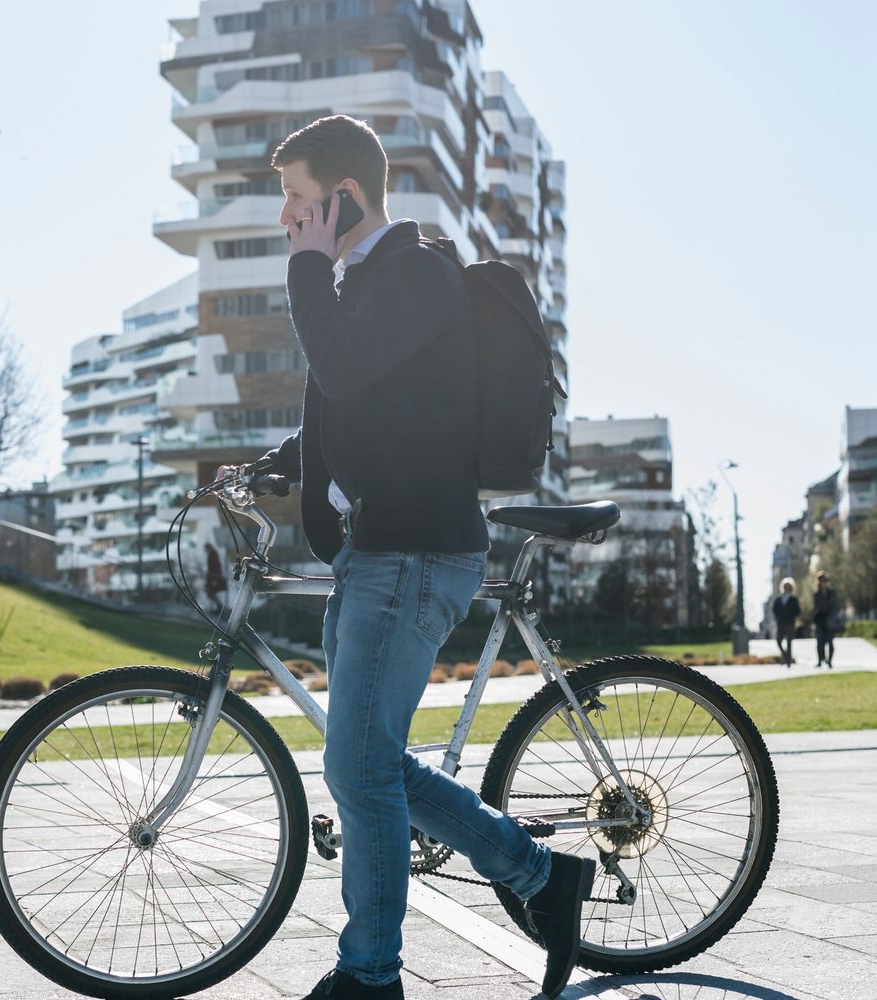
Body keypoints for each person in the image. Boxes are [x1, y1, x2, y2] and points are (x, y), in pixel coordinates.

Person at [237, 115, 594, 1000]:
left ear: (345, 197)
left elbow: (347, 368)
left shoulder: (414, 274)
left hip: (415, 554)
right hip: (385, 551)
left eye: (298, 199)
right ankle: (542, 878)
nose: (287, 217)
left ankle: (370, 976)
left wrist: (306, 273)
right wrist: (276, 466)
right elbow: (355, 402)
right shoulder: (370, 282)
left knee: (357, 765)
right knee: (371, 761)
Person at [771, 578, 800, 667]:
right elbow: (774, 610)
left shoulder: (793, 599)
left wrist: (791, 616)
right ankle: (786, 656)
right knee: (778, 640)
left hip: (790, 623)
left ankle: (788, 662)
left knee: (789, 642)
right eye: (785, 586)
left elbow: (798, 611)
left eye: (788, 586)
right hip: (780, 623)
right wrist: (777, 618)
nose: (786, 588)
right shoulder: (778, 599)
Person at [812, 571, 838, 668]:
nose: (824, 583)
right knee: (820, 642)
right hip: (819, 620)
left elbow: (834, 605)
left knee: (830, 642)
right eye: (822, 581)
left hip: (830, 620)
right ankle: (820, 661)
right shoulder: (816, 594)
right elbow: (816, 606)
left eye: (825, 581)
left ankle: (829, 661)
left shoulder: (832, 593)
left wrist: (826, 608)